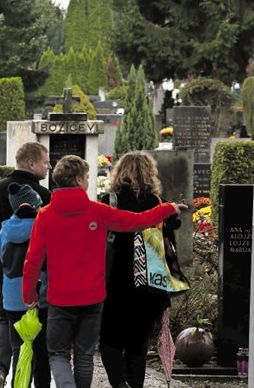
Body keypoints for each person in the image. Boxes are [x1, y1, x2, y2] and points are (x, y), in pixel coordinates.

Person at [22, 155, 187, 388]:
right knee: (84, 355)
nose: (88, 181)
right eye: (87, 177)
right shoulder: (97, 211)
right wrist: (168, 208)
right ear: (79, 179)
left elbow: (33, 259)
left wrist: (29, 295)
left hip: (61, 297)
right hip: (94, 296)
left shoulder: (45, 215)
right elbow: (137, 221)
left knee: (58, 353)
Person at [99, 152, 183, 388]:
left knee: (109, 339)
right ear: (149, 173)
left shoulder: (109, 201)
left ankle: (119, 384)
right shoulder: (158, 203)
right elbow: (169, 249)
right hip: (148, 283)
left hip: (113, 281)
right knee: (138, 344)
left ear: (119, 172)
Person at [0, 142, 52, 388]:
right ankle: (33, 378)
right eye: (45, 161)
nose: (48, 166)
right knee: (35, 326)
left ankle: (0, 368)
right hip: (39, 272)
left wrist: (2, 256)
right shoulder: (43, 196)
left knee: (3, 317)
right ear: (31, 163)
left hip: (6, 268)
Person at [0, 183, 43, 386]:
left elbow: (1, 258)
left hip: (12, 299)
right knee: (40, 350)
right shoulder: (42, 227)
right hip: (37, 295)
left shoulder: (5, 230)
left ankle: (19, 383)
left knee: (19, 347)